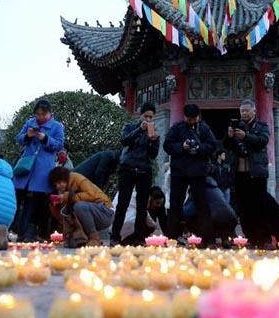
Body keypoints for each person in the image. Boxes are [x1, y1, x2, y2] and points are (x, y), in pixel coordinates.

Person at [163, 103, 217, 246]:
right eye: (189, 119)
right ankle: (173, 237)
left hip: (198, 172)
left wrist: (199, 148)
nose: (192, 121)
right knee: (175, 204)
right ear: (184, 116)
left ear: (198, 117)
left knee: (202, 204)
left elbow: (212, 145)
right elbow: (167, 145)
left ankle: (208, 239)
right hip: (179, 172)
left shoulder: (204, 128)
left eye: (194, 119)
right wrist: (182, 147)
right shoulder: (177, 127)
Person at [12, 99, 65, 241]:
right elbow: (19, 139)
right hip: (26, 165)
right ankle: (10, 229)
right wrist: (27, 136)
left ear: (50, 113)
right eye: (37, 114)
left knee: (39, 200)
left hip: (43, 168)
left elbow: (59, 145)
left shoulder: (57, 126)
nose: (40, 117)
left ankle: (31, 232)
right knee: (16, 197)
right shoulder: (30, 123)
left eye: (43, 114)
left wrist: (45, 138)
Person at [224, 99, 274, 250]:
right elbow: (227, 146)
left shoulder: (262, 125)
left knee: (259, 206)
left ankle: (265, 239)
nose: (244, 113)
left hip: (257, 173)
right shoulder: (236, 126)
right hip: (239, 173)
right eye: (241, 111)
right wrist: (230, 136)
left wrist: (245, 137)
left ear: (254, 111)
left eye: (246, 111)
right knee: (244, 208)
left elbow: (262, 141)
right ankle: (250, 238)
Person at [110, 102, 161, 246]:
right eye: (146, 116)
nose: (149, 120)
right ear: (141, 116)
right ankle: (115, 236)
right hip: (128, 168)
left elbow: (153, 155)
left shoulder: (154, 132)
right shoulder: (130, 127)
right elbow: (124, 141)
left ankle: (138, 238)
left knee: (142, 206)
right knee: (123, 203)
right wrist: (140, 129)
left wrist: (153, 142)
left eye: (151, 117)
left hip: (144, 170)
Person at [48, 166, 114, 247]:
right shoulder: (64, 192)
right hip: (90, 215)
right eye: (55, 185)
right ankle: (87, 239)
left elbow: (91, 195)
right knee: (72, 244)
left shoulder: (77, 178)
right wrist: (54, 207)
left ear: (64, 178)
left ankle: (94, 238)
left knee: (79, 206)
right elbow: (62, 219)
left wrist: (67, 197)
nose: (58, 186)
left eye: (59, 182)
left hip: (105, 212)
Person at [183, 176, 238, 247]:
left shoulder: (198, 190)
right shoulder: (218, 190)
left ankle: (208, 240)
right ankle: (225, 239)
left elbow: (188, 211)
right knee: (221, 216)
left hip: (212, 222)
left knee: (200, 215)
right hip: (231, 221)